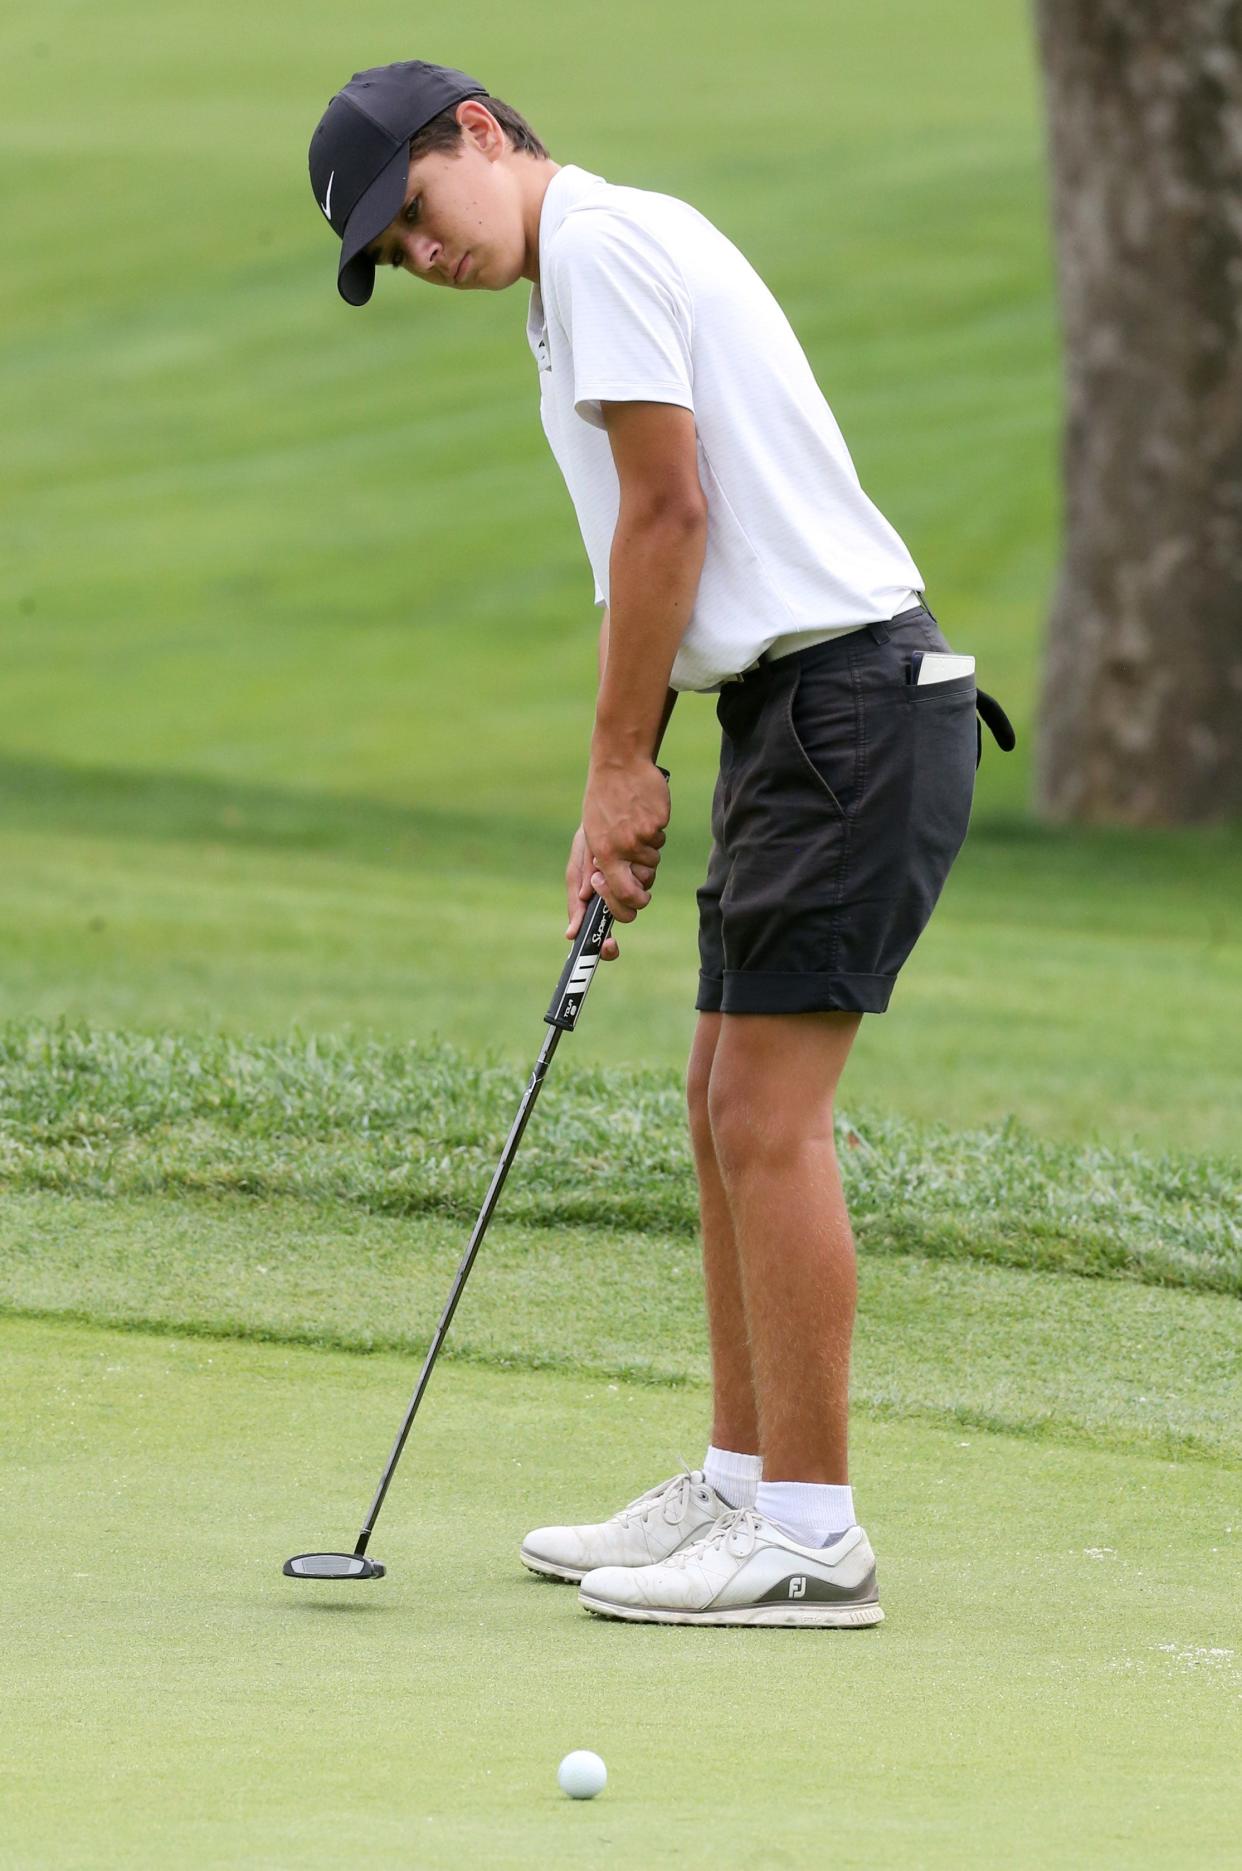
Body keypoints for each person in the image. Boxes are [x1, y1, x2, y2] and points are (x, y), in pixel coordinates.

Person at [308, 60, 1012, 1629]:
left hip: (846, 709)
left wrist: (617, 763)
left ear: (479, 135)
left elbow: (668, 517)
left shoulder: (605, 244)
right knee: (719, 1103)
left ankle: (812, 1538)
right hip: (797, 713)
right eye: (391, 253)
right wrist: (629, 768)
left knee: (767, 1118)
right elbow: (683, 547)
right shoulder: (583, 277)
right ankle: (744, 1481)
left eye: (413, 214)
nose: (419, 257)